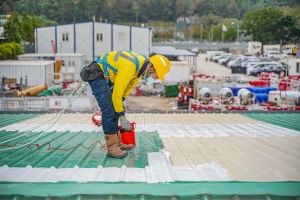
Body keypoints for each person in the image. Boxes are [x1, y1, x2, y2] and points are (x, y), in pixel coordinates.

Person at [80, 51, 170, 158]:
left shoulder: (139, 68)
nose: (155, 79)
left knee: (116, 107)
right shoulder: (130, 66)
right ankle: (112, 148)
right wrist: (122, 117)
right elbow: (116, 95)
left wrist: (120, 108)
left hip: (106, 76)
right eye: (156, 76)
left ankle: (118, 143)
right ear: (152, 69)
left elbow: (125, 91)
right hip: (96, 73)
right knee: (108, 110)